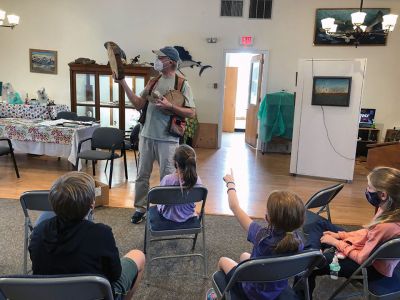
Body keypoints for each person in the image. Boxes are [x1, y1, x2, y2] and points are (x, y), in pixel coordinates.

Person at [28, 172, 145, 299]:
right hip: (94, 295)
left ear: (52, 202)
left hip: (50, 295)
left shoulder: (38, 231)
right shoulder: (101, 233)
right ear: (92, 204)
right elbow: (115, 275)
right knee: (138, 256)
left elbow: (38, 267)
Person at [114, 46, 196, 224]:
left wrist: (170, 107)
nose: (157, 60)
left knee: (167, 177)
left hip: (168, 139)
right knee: (142, 175)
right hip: (146, 135)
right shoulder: (153, 81)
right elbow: (138, 103)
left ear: (171, 62)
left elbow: (191, 112)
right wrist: (122, 82)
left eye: (161, 57)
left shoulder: (182, 84)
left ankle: (166, 209)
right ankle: (140, 208)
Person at [302, 167, 400, 299]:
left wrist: (336, 242)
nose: (367, 190)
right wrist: (341, 235)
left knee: (308, 268)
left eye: (369, 187)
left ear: (383, 195)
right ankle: (312, 252)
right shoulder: (390, 209)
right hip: (368, 251)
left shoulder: (384, 226)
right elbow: (367, 232)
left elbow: (362, 259)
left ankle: (309, 259)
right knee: (320, 224)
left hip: (368, 268)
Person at [217, 169, 305, 300]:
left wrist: (230, 183)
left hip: (252, 292)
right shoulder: (298, 241)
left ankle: (219, 295)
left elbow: (234, 206)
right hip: (276, 287)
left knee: (223, 261)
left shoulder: (261, 237)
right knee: (244, 256)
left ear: (268, 218)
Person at [157, 144, 201, 222]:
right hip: (188, 215)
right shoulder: (197, 180)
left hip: (168, 216)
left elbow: (160, 199)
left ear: (175, 162)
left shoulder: (168, 179)